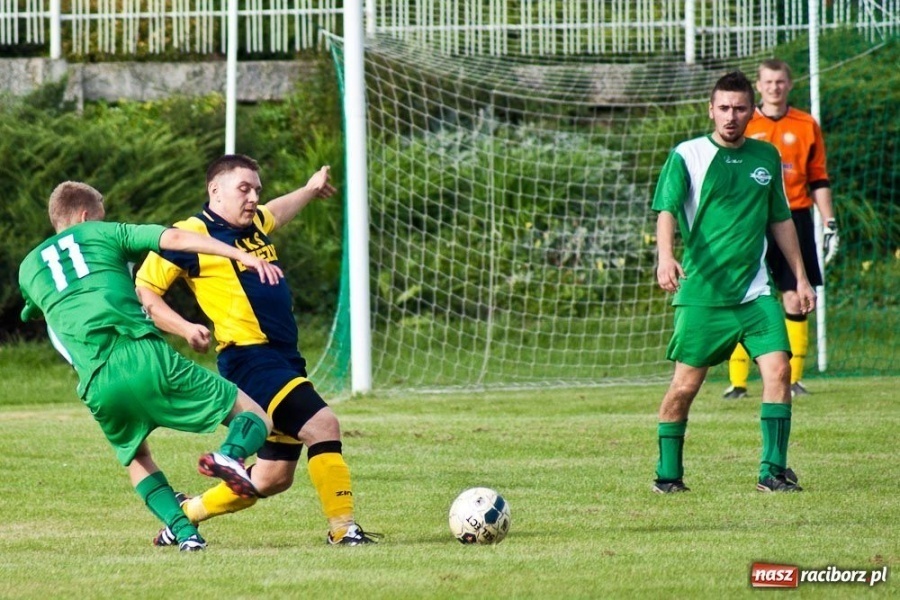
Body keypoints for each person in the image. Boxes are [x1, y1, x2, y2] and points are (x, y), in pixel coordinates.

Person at [18, 181, 280, 551]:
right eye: (102, 213)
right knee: (255, 417)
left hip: (95, 381)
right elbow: (174, 239)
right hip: (139, 353)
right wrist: (241, 256)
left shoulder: (29, 267)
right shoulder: (104, 233)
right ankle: (231, 455)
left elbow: (32, 308)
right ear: (85, 216)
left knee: (137, 457)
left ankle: (186, 534)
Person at [135, 154, 379, 545]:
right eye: (243, 189)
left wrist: (310, 190)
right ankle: (343, 529)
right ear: (215, 190)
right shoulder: (190, 233)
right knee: (323, 425)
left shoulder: (253, 226)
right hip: (250, 358)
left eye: (257, 190)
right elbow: (145, 288)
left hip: (284, 358)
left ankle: (185, 514)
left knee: (270, 479)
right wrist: (182, 327)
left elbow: (276, 212)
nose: (253, 198)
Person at [651, 71, 817, 494]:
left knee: (779, 370)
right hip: (704, 295)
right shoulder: (687, 155)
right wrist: (666, 256)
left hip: (755, 292)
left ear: (751, 111)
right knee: (684, 387)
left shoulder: (765, 158)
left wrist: (799, 278)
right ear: (711, 110)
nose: (731, 116)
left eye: (740, 108)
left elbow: (780, 219)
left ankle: (772, 472)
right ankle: (668, 476)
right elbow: (667, 209)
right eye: (723, 108)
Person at [723, 58, 838, 400]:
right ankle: (738, 382)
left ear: (790, 84)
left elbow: (818, 177)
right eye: (768, 82)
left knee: (794, 295)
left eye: (780, 82)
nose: (774, 87)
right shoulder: (743, 121)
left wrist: (829, 220)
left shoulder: (806, 124)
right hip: (751, 219)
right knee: (745, 294)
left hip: (796, 217)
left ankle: (793, 379)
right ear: (759, 86)